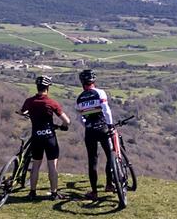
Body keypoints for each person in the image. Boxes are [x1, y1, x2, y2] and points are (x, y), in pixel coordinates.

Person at [18, 74, 70, 200]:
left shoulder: (29, 101)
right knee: (52, 165)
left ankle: (32, 192)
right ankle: (54, 193)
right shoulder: (52, 103)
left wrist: (25, 113)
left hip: (36, 137)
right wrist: (63, 126)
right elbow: (67, 121)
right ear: (48, 88)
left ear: (37, 87)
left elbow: (22, 112)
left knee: (36, 165)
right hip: (49, 137)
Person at [74, 68, 118, 203]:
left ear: (82, 83)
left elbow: (80, 118)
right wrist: (110, 125)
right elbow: (106, 110)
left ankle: (94, 192)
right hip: (103, 127)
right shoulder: (100, 92)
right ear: (94, 81)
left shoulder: (80, 98)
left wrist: (88, 125)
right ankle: (109, 184)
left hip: (90, 131)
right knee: (110, 154)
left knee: (92, 160)